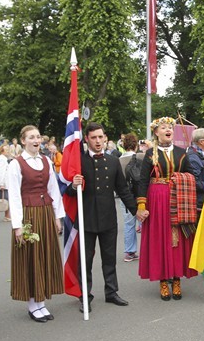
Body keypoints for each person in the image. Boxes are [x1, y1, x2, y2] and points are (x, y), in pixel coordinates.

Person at [68, 122, 139, 311]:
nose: (98, 141)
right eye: (94, 137)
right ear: (86, 139)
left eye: (101, 137)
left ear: (105, 137)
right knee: (86, 261)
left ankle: (111, 292)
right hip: (86, 219)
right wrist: (74, 185)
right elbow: (66, 191)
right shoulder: (78, 161)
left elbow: (123, 190)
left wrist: (136, 211)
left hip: (108, 218)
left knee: (109, 258)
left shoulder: (113, 161)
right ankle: (85, 295)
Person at [7, 125, 65, 322]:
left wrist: (57, 216)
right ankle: (32, 304)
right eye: (31, 137)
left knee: (46, 255)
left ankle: (42, 302)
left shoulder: (46, 160)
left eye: (38, 137)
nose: (36, 140)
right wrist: (18, 225)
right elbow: (14, 196)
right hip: (28, 214)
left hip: (46, 212)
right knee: (31, 257)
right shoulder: (16, 164)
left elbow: (53, 190)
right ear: (23, 141)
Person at [136, 117, 196, 301]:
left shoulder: (181, 152)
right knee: (160, 238)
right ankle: (163, 280)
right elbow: (143, 180)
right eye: (163, 127)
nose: (168, 129)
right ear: (156, 132)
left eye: (170, 127)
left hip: (178, 198)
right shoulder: (149, 154)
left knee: (177, 238)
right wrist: (141, 205)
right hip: (157, 199)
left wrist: (181, 180)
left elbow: (191, 175)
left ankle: (176, 278)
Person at [118, 133, 144, 263]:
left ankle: (130, 251)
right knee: (145, 222)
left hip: (125, 196)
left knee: (129, 224)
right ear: (136, 144)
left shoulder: (118, 160)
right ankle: (146, 249)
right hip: (140, 195)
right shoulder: (141, 157)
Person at [186, 128, 204, 212]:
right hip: (197, 201)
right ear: (202, 142)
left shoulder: (197, 155)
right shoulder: (193, 157)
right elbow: (193, 181)